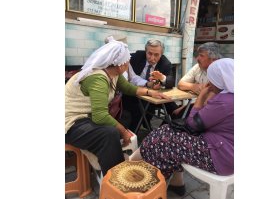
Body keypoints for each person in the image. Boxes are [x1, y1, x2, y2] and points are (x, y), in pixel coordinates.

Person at [65, 36, 170, 176]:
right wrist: (123, 131)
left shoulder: (113, 72)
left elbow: (128, 88)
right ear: (120, 64)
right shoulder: (98, 78)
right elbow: (100, 116)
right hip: (71, 123)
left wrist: (150, 92)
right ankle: (116, 178)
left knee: (123, 120)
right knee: (109, 133)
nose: (129, 63)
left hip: (86, 118)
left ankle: (111, 164)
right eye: (127, 61)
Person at [130, 58, 234, 196]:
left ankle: (149, 183)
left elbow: (192, 124)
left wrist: (201, 98)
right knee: (166, 130)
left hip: (221, 155)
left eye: (211, 79)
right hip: (225, 149)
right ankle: (176, 183)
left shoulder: (225, 101)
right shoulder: (230, 96)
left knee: (163, 140)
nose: (209, 83)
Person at [122, 39, 178, 132]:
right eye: (149, 53)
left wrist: (162, 78)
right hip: (134, 94)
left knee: (175, 109)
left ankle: (161, 132)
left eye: (156, 55)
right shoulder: (137, 56)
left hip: (155, 95)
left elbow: (171, 81)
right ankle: (136, 132)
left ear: (161, 54)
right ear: (145, 51)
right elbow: (130, 76)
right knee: (139, 108)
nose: (152, 58)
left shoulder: (165, 63)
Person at [174, 42, 222, 117]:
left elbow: (207, 103)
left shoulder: (219, 73)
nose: (197, 58)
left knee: (177, 117)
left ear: (213, 60)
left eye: (201, 56)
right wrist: (194, 86)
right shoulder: (198, 67)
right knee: (173, 114)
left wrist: (185, 108)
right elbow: (180, 84)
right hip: (197, 104)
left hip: (210, 111)